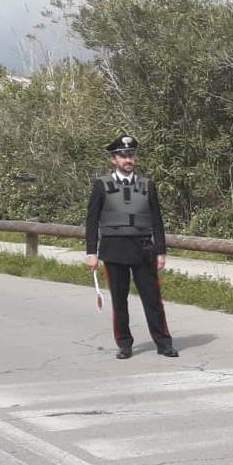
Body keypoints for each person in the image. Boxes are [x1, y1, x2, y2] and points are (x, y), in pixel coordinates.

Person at [84, 135, 178, 359]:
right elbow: (91, 220)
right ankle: (124, 344)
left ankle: (164, 343)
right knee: (119, 300)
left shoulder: (147, 185)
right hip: (114, 248)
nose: (128, 159)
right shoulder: (102, 185)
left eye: (131, 155)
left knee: (153, 299)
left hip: (144, 248)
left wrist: (161, 251)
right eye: (123, 156)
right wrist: (91, 252)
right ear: (113, 159)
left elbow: (157, 220)